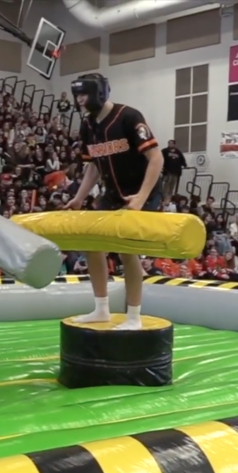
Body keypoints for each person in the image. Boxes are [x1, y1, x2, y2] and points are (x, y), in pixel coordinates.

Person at [63, 72, 165, 330]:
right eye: (77, 95)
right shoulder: (87, 126)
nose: (80, 100)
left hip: (143, 192)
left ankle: (133, 316)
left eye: (83, 94)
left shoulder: (129, 117)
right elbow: (94, 167)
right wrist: (78, 198)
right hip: (112, 194)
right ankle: (101, 309)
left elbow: (156, 159)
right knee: (92, 243)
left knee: (125, 249)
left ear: (98, 92)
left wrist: (141, 197)